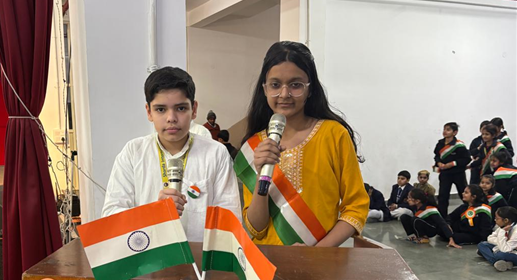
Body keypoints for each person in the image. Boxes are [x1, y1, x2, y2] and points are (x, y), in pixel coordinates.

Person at [236, 41, 369, 247]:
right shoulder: (254, 146)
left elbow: (356, 207)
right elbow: (256, 228)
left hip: (321, 260)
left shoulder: (333, 135)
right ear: (264, 89)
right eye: (275, 85)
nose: (284, 94)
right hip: (267, 259)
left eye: (295, 85)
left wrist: (315, 254)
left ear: (310, 89)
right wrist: (262, 175)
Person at [102, 67, 241, 242]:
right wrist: (153, 213)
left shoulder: (215, 153)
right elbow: (111, 217)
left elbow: (231, 219)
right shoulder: (133, 153)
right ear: (149, 112)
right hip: (148, 254)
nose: (171, 118)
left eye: (181, 108)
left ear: (194, 109)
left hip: (200, 256)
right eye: (161, 109)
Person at [433, 122, 470, 216]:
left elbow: (466, 159)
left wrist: (453, 164)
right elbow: (437, 156)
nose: (445, 131)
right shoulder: (440, 143)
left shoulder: (459, 145)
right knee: (443, 196)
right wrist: (438, 162)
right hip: (445, 174)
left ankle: (471, 212)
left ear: (455, 132)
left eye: (448, 130)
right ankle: (443, 217)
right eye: (444, 129)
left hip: (458, 173)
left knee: (463, 193)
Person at [477, 206, 517, 272]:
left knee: (500, 254)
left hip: (513, 253)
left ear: (506, 220)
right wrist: (502, 241)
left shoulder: (515, 231)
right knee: (482, 245)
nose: (495, 220)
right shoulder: (504, 226)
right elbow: (490, 238)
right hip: (505, 248)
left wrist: (502, 233)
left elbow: (505, 249)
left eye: (497, 218)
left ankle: (493, 258)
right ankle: (505, 263)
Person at [469, 120, 491, 185]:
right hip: (476, 168)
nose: (484, 135)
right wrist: (478, 149)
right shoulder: (476, 141)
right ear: (480, 129)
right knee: (474, 186)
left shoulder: (494, 143)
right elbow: (470, 152)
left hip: (488, 168)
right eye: (483, 129)